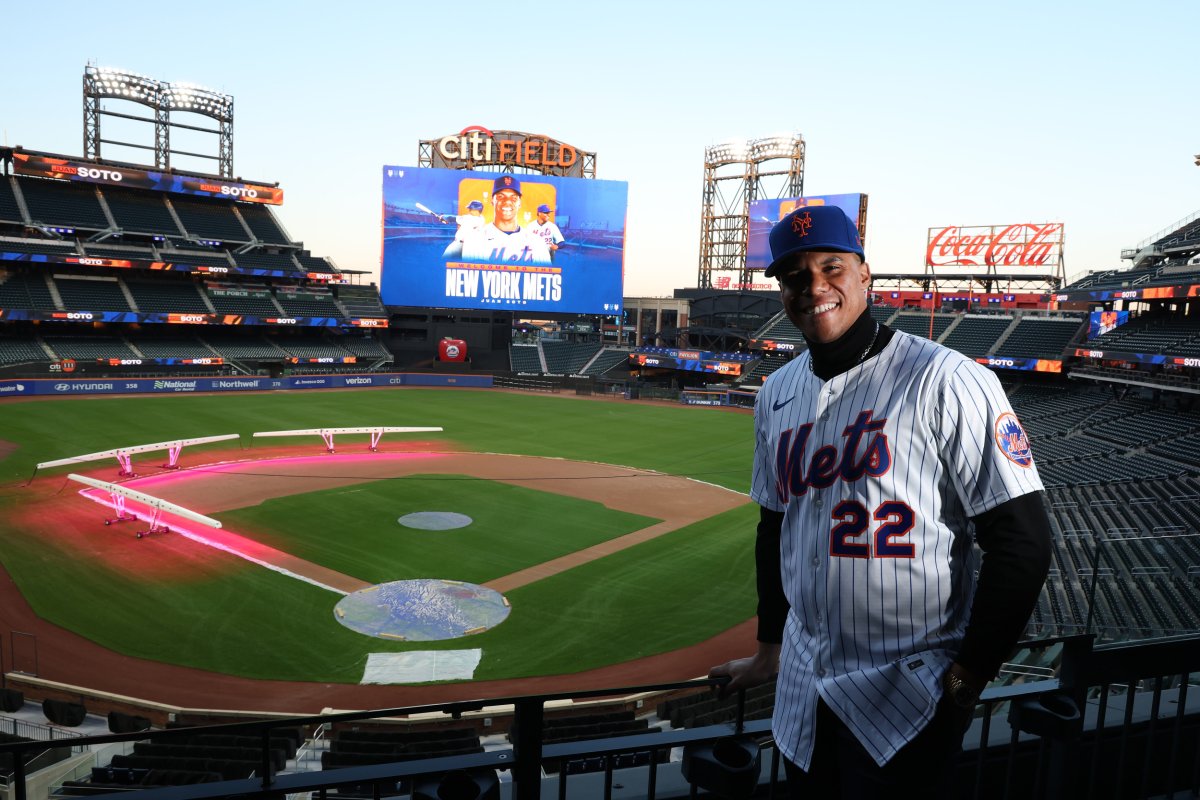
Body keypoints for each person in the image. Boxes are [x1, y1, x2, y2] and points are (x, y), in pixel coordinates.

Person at [709, 205, 1051, 798]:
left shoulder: (947, 379)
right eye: (794, 276)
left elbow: (1022, 537)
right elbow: (774, 525)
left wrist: (971, 674)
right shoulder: (777, 392)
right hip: (800, 697)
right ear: (782, 291)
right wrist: (768, 650)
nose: (814, 287)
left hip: (908, 696)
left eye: (831, 267)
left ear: (865, 275)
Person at [446, 175, 552, 266]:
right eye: (501, 197)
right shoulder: (473, 239)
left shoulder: (537, 243)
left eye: (514, 198)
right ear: (492, 201)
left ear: (519, 203)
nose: (507, 202)